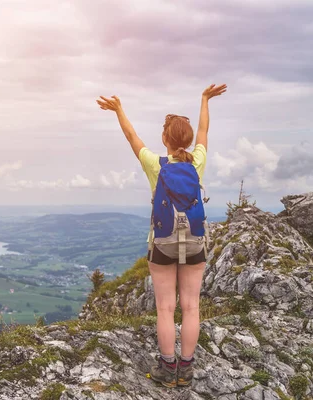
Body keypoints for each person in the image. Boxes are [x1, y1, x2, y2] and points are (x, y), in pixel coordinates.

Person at [96, 83, 227, 388]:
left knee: (166, 308)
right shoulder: (198, 162)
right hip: (194, 241)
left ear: (164, 140)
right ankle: (186, 370)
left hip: (162, 243)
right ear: (189, 141)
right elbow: (205, 132)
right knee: (191, 307)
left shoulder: (155, 164)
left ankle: (167, 369)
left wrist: (119, 110)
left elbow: (132, 137)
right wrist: (205, 100)